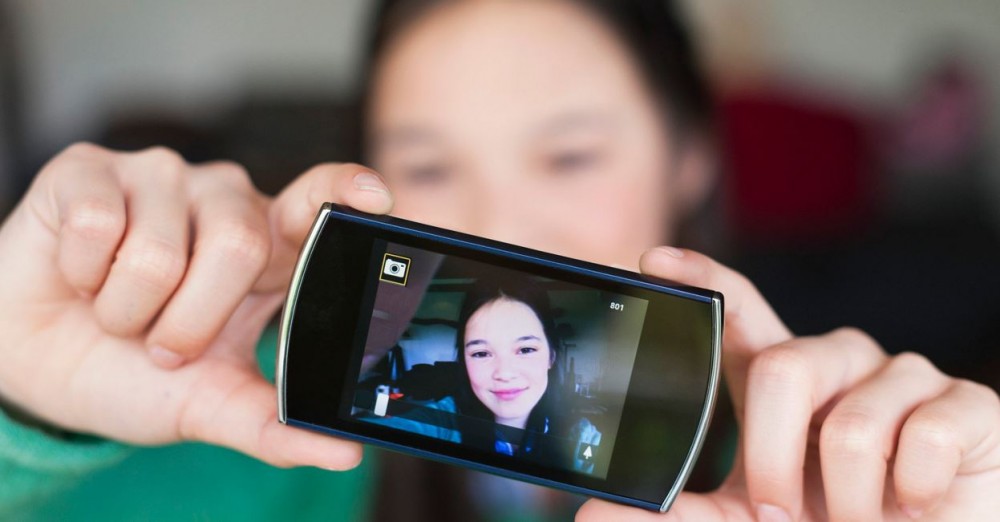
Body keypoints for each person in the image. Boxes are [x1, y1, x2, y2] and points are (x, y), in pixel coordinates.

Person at [0, 0, 997, 520]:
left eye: (569, 155)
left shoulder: (847, 471)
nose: (497, 223)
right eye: (430, 165)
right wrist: (21, 410)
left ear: (689, 156)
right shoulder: (233, 434)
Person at [361, 282, 602, 474]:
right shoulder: (443, 420)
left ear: (551, 357)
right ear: (464, 362)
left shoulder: (580, 438)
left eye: (526, 349)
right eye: (481, 353)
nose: (504, 373)